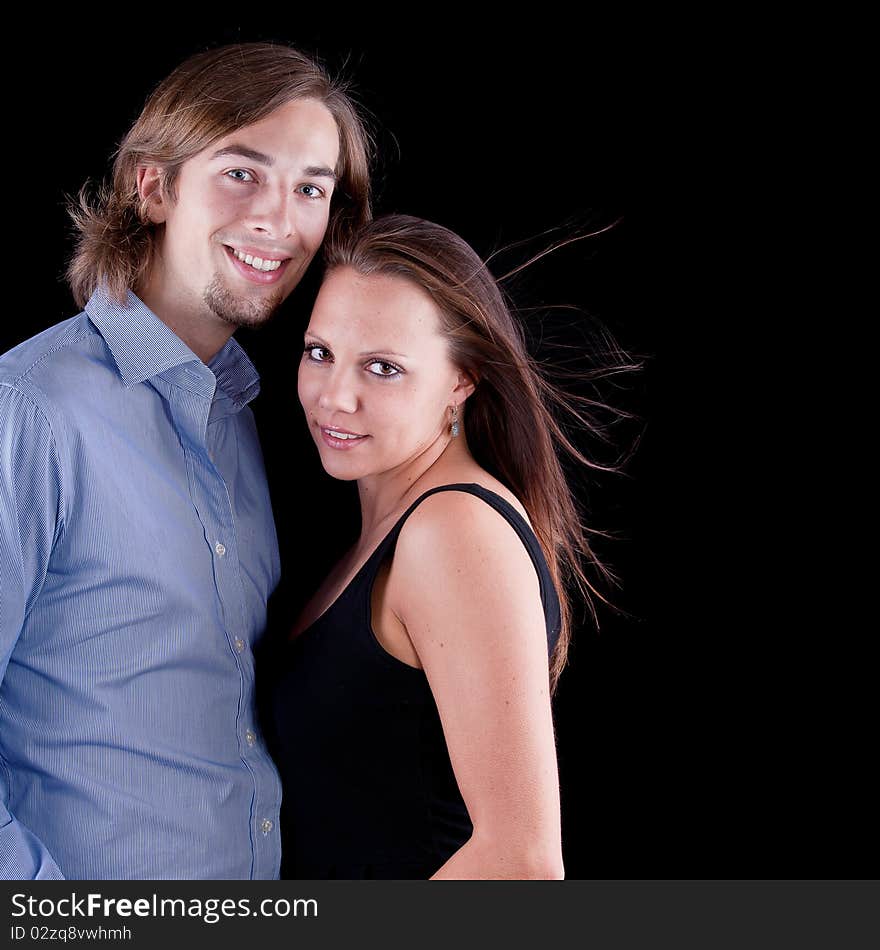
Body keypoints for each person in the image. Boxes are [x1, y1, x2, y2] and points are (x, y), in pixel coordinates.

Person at [0, 42, 371, 880]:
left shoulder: (238, 414)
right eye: (243, 172)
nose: (281, 219)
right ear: (154, 186)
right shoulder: (31, 410)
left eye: (311, 187)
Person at [271, 214, 628, 879]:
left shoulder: (453, 530)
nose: (333, 397)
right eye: (319, 352)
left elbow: (521, 862)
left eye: (382, 368)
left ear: (462, 380)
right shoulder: (391, 523)